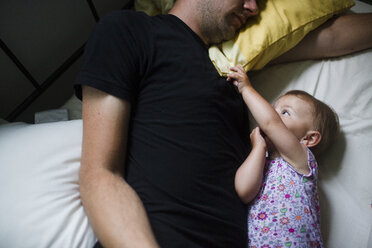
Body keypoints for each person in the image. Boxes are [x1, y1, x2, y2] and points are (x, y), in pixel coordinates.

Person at [74, 0, 372, 247]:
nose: (253, 7)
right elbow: (100, 174)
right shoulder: (132, 31)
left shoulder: (233, 65)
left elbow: (330, 38)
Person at [228, 65, 339, 247]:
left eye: (285, 113)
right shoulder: (262, 162)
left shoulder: (302, 161)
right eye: (274, 109)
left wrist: (246, 88)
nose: (274, 115)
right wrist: (258, 148)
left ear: (308, 138)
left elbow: (271, 123)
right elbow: (243, 191)